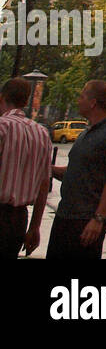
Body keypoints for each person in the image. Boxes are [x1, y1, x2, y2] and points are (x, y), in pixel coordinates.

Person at [48, 80, 106, 260]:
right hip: (66, 214)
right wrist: (49, 169)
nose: (78, 100)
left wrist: (98, 218)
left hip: (85, 219)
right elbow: (76, 172)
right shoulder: (87, 132)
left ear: (93, 102)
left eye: (82, 96)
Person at [0, 77, 53, 259]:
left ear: (2, 97)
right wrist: (35, 226)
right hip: (19, 219)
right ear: (25, 101)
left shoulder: (2, 127)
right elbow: (44, 183)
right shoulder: (41, 133)